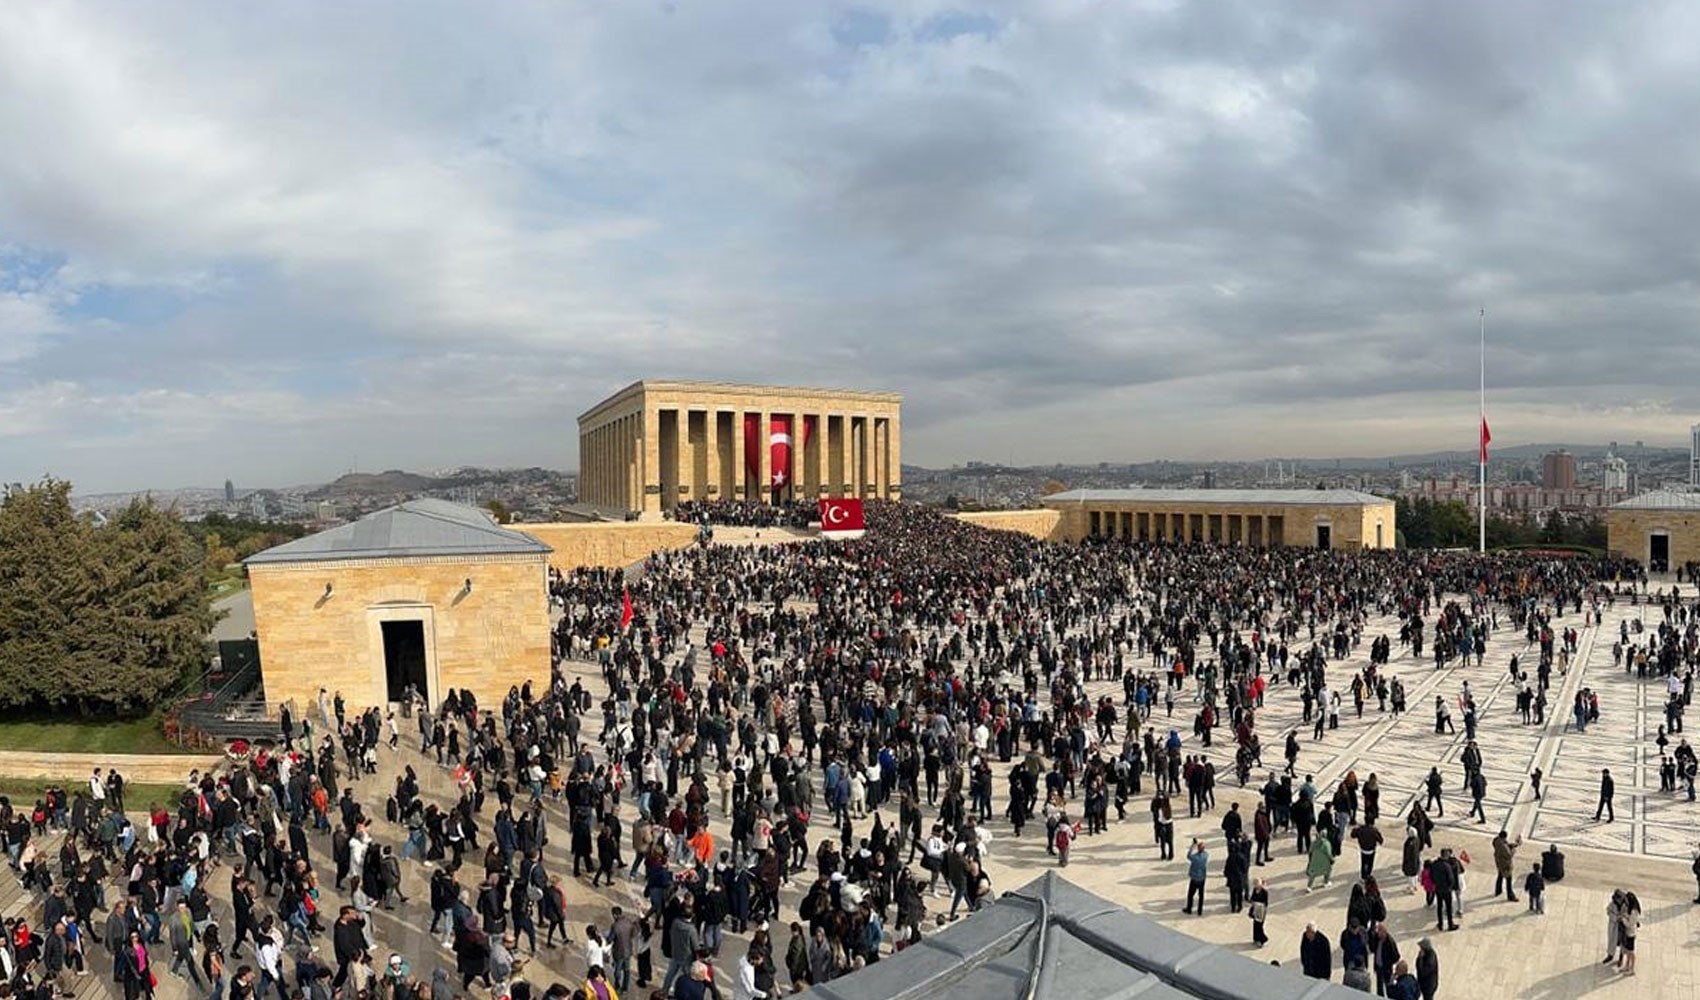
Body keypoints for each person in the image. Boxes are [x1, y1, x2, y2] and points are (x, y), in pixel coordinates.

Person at [1491, 830, 1522, 902]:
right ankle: (1510, 896)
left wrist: (1510, 845)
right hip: (1505, 864)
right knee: (1509, 880)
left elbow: (1503, 845)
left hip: (1498, 862)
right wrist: (1513, 850)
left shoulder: (1496, 840)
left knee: (1500, 876)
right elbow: (1509, 855)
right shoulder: (1503, 846)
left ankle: (1498, 891)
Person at [1617, 891, 1641, 976]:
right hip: (1628, 933)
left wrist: (1623, 920)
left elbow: (1630, 924)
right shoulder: (1631, 909)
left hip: (1631, 934)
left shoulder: (1634, 912)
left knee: (1631, 952)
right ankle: (1627, 966)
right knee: (1628, 951)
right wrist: (1625, 915)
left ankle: (1632, 969)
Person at [1184, 839, 1208, 914]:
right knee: (1201, 895)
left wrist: (1193, 845)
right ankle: (1199, 910)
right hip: (1202, 878)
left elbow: (1188, 855)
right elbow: (1204, 852)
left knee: (1190, 895)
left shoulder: (1194, 858)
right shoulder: (1205, 856)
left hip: (1194, 878)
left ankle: (1189, 908)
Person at [1248, 878, 1269, 948]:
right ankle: (1256, 938)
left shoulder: (1264, 892)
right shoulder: (1254, 890)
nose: (1256, 887)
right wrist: (1252, 902)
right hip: (1255, 910)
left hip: (1261, 911)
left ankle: (1262, 939)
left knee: (1259, 926)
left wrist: (1258, 904)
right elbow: (1252, 898)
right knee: (1255, 925)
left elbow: (1266, 903)